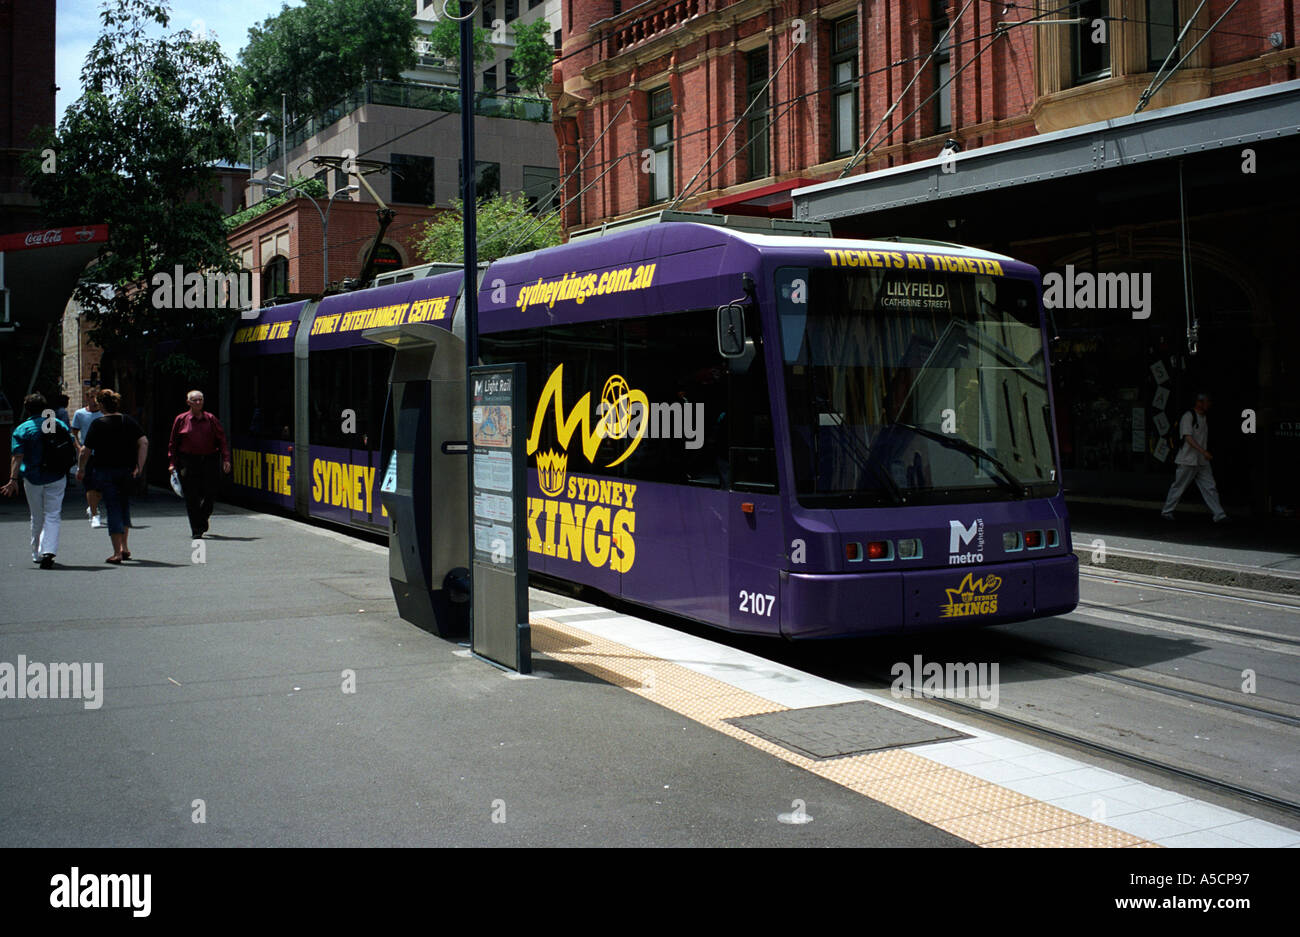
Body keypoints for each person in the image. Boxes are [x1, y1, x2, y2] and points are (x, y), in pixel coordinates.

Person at [2, 393, 72, 568]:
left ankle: (36, 553)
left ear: (27, 408)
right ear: (44, 408)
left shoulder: (22, 429)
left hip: (33, 477)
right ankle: (48, 550)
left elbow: (17, 456)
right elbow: (70, 445)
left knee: (36, 515)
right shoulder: (58, 424)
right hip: (56, 475)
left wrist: (13, 479)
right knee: (53, 513)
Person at [79, 389, 148, 563]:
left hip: (105, 470)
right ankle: (125, 546)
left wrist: (81, 468)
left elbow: (84, 451)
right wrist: (139, 466)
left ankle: (117, 552)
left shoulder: (98, 423)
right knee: (124, 506)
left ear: (102, 404)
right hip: (126, 470)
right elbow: (144, 442)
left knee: (113, 508)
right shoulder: (128, 421)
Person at [168, 389, 230, 539]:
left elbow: (221, 440)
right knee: (192, 496)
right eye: (195, 400)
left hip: (209, 459)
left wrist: (226, 459)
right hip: (188, 461)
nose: (198, 402)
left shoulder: (210, 419)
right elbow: (173, 443)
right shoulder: (181, 419)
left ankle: (203, 516)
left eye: (200, 400)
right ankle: (196, 529)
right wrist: (172, 463)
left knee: (210, 492)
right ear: (188, 402)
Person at [1161, 392, 1228, 523]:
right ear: (1199, 403)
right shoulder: (1188, 416)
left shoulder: (1203, 417)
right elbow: (1188, 438)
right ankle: (1166, 511)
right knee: (1179, 486)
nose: (1209, 404)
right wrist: (1204, 452)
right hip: (1188, 459)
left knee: (1210, 486)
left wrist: (1203, 454)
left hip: (1201, 460)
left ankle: (1219, 514)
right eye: (1206, 401)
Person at [70, 388, 105, 528]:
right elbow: (73, 433)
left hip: (103, 454)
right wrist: (79, 447)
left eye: (97, 398)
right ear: (87, 398)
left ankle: (92, 506)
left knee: (101, 485)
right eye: (92, 397)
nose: (95, 401)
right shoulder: (80, 414)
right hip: (87, 454)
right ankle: (95, 514)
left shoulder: (104, 414)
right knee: (90, 484)